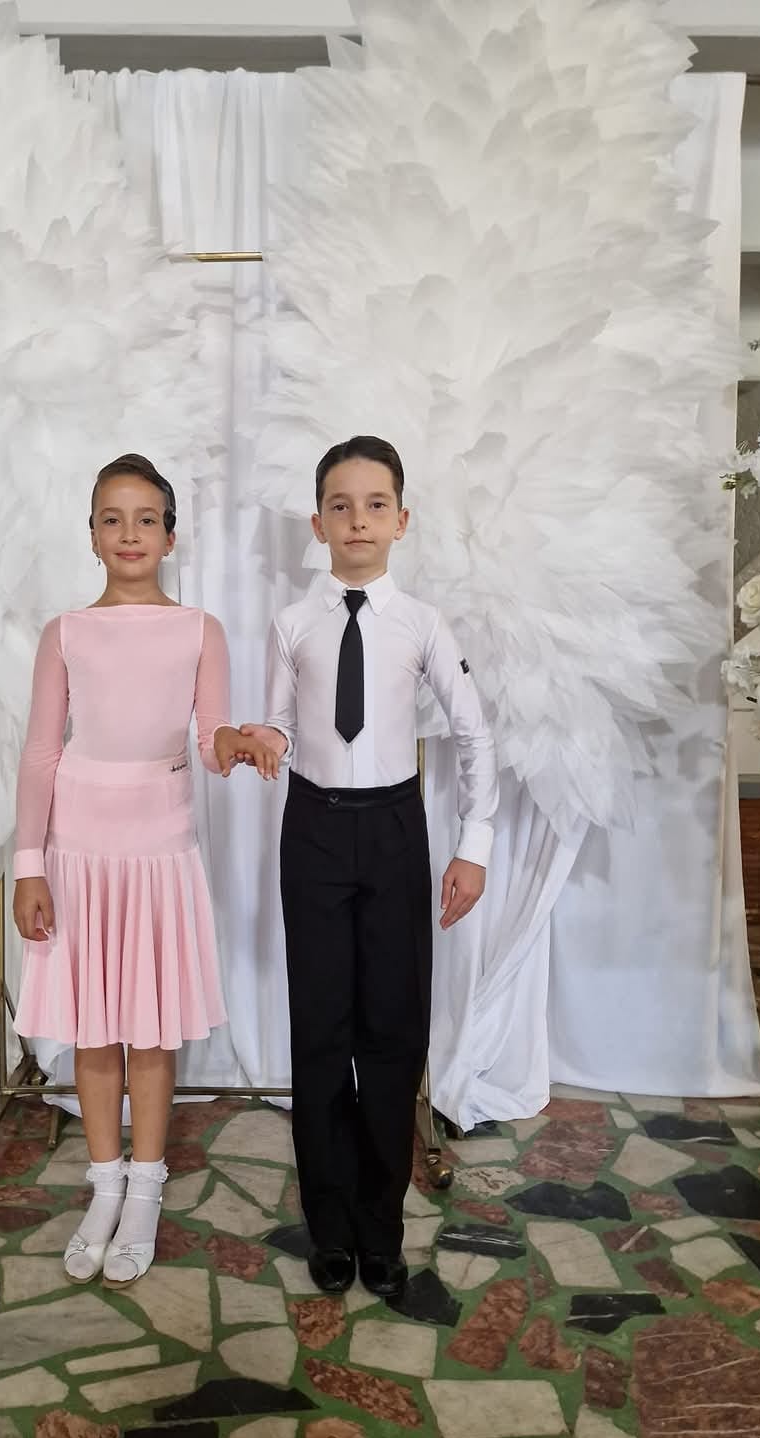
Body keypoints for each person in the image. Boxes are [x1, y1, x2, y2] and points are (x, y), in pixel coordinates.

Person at [240, 435, 499, 1298]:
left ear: (402, 520)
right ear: (318, 524)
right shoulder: (292, 624)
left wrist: (472, 846)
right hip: (313, 828)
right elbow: (282, 724)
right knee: (320, 1032)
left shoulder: (423, 624)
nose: (358, 520)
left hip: (394, 830)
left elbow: (473, 733)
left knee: (392, 1031)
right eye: (340, 506)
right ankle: (331, 1226)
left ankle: (381, 1227)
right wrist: (261, 741)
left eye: (375, 505)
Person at [12, 453, 278, 1289]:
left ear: (170, 535)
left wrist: (234, 742)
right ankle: (104, 1186)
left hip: (160, 853)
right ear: (92, 535)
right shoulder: (65, 633)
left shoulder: (200, 630)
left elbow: (208, 737)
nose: (129, 533)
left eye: (146, 519)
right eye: (112, 518)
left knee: (150, 1029)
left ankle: (148, 1188)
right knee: (94, 1028)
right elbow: (42, 752)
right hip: (79, 852)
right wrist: (28, 864)